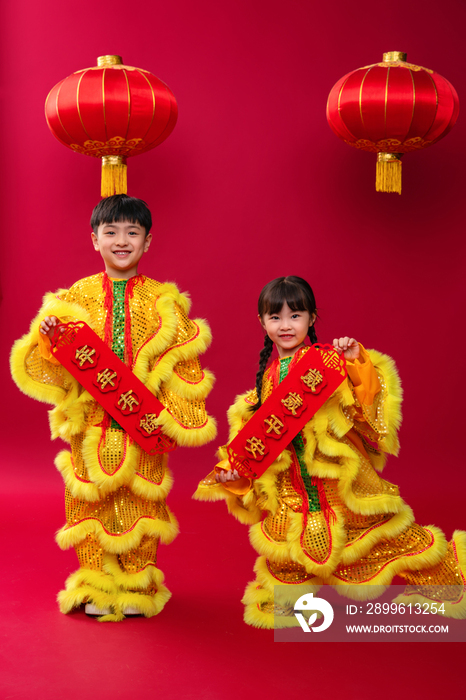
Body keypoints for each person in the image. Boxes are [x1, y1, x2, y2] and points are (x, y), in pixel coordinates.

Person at [194, 276, 466, 629]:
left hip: (337, 487)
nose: (286, 325)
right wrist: (236, 474)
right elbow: (257, 443)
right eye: (275, 317)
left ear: (312, 319)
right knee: (282, 581)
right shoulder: (267, 379)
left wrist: (355, 363)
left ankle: (453, 580)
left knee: (396, 542)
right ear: (261, 322)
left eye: (296, 315)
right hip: (293, 495)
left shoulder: (326, 363)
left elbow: (362, 406)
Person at [11, 194, 216, 622]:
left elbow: (182, 360)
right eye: (111, 232)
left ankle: (137, 584)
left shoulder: (164, 301)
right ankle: (96, 581)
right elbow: (54, 366)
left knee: (141, 502)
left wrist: (171, 414)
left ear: (147, 242)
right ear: (94, 239)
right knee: (90, 501)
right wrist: (50, 339)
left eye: (132, 233)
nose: (121, 241)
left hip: (142, 422)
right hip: (91, 424)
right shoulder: (76, 297)